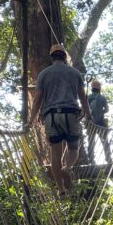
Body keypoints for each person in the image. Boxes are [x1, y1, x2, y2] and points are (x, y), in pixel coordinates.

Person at [28, 43, 91, 195]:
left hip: (51, 116)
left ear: (51, 58)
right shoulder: (75, 73)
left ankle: (61, 189)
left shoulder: (44, 74)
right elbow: (83, 97)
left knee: (55, 154)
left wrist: (31, 121)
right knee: (73, 148)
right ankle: (67, 167)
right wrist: (88, 114)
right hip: (71, 114)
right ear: (64, 57)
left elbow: (37, 100)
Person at [87, 80, 113, 164]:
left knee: (92, 141)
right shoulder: (100, 97)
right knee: (102, 141)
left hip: (92, 122)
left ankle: (92, 159)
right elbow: (107, 109)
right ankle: (107, 159)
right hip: (97, 121)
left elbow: (84, 109)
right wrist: (102, 112)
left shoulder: (89, 97)